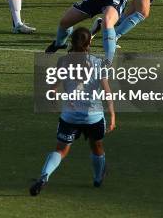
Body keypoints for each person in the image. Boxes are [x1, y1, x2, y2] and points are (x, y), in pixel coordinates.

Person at [30, 27, 115, 195]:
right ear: (90, 42)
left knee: (60, 150)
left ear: (72, 42)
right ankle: (98, 179)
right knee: (97, 147)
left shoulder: (63, 61)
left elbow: (53, 87)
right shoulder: (98, 62)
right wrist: (112, 115)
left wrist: (53, 97)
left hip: (69, 116)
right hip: (93, 117)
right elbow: (107, 91)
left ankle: (44, 176)